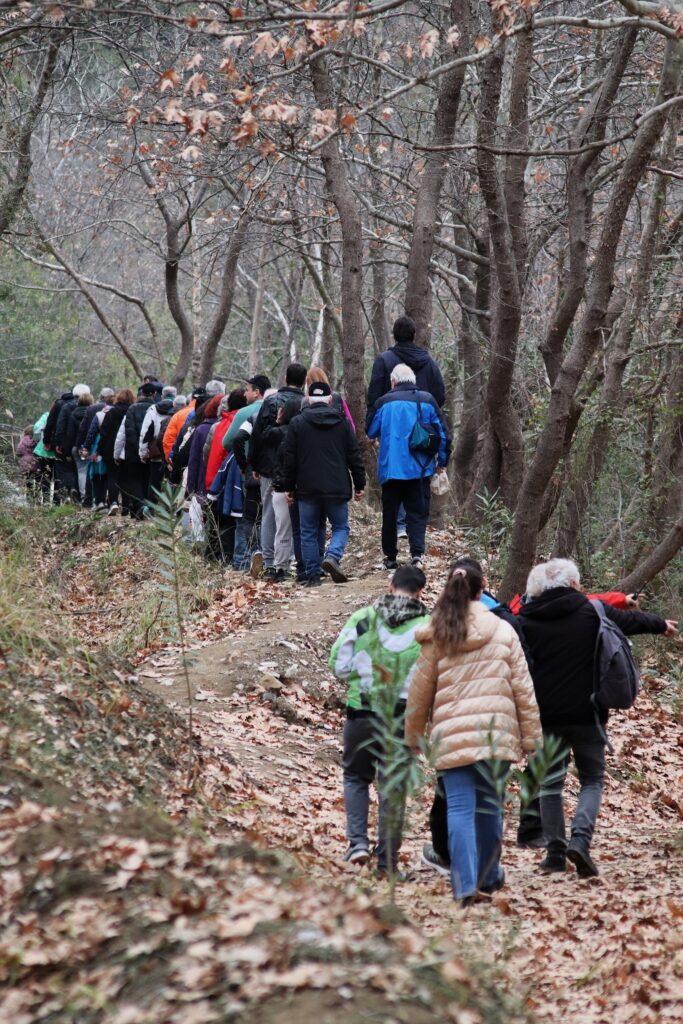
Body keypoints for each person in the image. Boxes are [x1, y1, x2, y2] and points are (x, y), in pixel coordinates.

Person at [518, 558, 677, 878]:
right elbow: (630, 621)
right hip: (588, 713)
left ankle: (554, 854)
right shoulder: (592, 611)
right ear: (573, 584)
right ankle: (580, 839)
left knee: (551, 783)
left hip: (547, 716)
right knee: (591, 779)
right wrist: (661, 625)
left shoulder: (526, 620)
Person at [405, 558, 542, 904]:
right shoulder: (504, 631)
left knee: (460, 809)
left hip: (452, 737)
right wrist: (532, 739)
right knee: (490, 808)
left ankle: (465, 885)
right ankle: (489, 876)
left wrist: (413, 736)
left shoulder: (438, 633)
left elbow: (419, 691)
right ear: (482, 591)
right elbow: (523, 690)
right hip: (496, 735)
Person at [330, 565, 430, 875]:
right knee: (393, 789)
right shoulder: (428, 627)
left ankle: (357, 844)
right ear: (421, 592)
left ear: (390, 585)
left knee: (355, 776)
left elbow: (338, 665)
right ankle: (387, 862)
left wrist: (362, 677)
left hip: (362, 711)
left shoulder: (363, 618)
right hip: (402, 718)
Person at [279, 380, 365, 586]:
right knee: (341, 527)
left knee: (307, 531)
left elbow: (289, 458)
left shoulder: (297, 423)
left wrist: (288, 486)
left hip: (307, 488)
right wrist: (359, 483)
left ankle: (312, 575)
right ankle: (332, 556)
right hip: (337, 486)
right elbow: (354, 455)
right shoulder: (343, 424)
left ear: (308, 399)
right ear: (330, 400)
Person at [367, 364, 450, 570]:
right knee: (418, 514)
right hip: (420, 469)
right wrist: (442, 461)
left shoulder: (383, 402)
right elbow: (443, 434)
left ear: (393, 381)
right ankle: (417, 554)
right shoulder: (427, 400)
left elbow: (371, 430)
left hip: (391, 470)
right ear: (414, 381)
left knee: (390, 515)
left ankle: (390, 557)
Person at [246, 363, 306, 581]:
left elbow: (257, 436)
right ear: (304, 381)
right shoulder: (305, 403)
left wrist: (254, 465)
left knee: (269, 514)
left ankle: (269, 561)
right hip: (296, 468)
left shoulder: (271, 401)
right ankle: (288, 560)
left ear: (286, 378)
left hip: (268, 468)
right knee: (293, 516)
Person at [367, 315, 446, 412]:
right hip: (421, 419)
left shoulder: (383, 360)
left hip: (391, 419)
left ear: (394, 335)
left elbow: (374, 397)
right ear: (414, 335)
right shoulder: (428, 361)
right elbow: (439, 396)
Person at [114, 382, 158, 518]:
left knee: (134, 480)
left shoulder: (132, 409)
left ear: (141, 394)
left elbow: (123, 433)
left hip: (132, 451)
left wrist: (116, 453)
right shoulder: (156, 409)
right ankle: (146, 507)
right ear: (155, 394)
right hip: (150, 452)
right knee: (147, 479)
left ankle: (137, 509)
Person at [98, 389, 135, 513]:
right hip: (128, 449)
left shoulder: (111, 412)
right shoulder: (132, 412)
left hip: (110, 449)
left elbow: (103, 432)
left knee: (112, 476)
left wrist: (100, 449)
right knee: (126, 477)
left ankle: (113, 502)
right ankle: (126, 506)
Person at [204, 388, 247, 490]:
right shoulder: (241, 424)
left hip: (213, 480)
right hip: (226, 483)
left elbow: (206, 453)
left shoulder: (220, 424)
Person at [139, 386, 177, 495]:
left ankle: (152, 504)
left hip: (155, 452)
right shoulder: (179, 408)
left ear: (162, 396)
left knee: (154, 482)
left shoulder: (153, 409)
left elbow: (145, 432)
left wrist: (142, 453)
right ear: (175, 395)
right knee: (171, 483)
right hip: (172, 452)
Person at [305, 366, 355, 430]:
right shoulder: (337, 397)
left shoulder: (305, 401)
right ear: (324, 379)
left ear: (308, 382)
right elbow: (351, 425)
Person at [16, 427, 38, 494]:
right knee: (38, 480)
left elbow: (18, 452)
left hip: (25, 463)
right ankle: (37, 496)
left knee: (28, 481)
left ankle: (29, 496)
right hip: (36, 462)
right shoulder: (37, 439)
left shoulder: (23, 440)